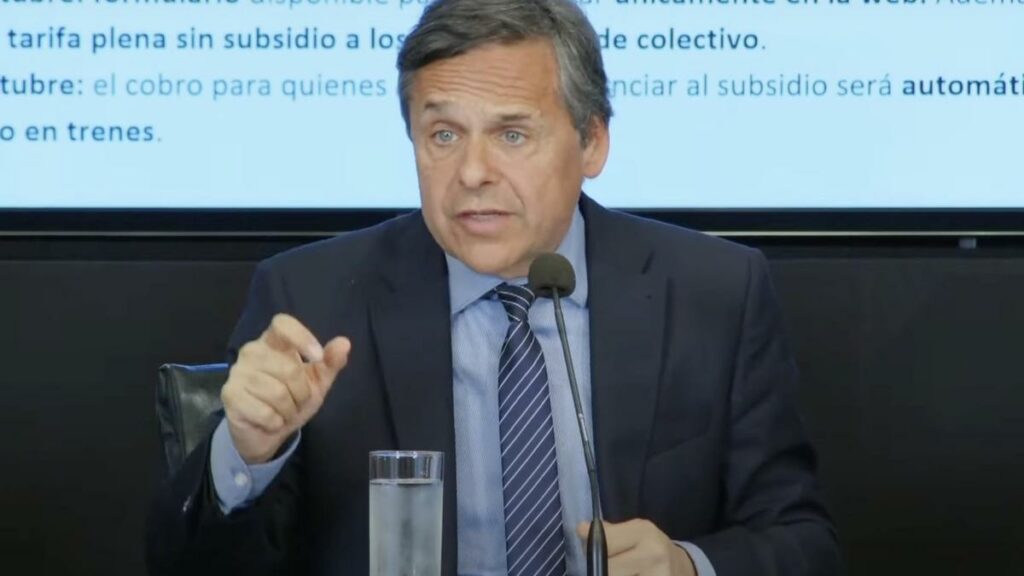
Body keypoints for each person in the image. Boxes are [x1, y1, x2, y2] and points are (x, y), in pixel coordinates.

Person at [146, 1, 840, 574]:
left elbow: (802, 543)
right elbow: (187, 566)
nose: (472, 172)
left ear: (592, 142)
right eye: (443, 135)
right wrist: (248, 453)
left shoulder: (714, 293)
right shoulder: (312, 301)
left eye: (511, 135)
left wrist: (688, 566)